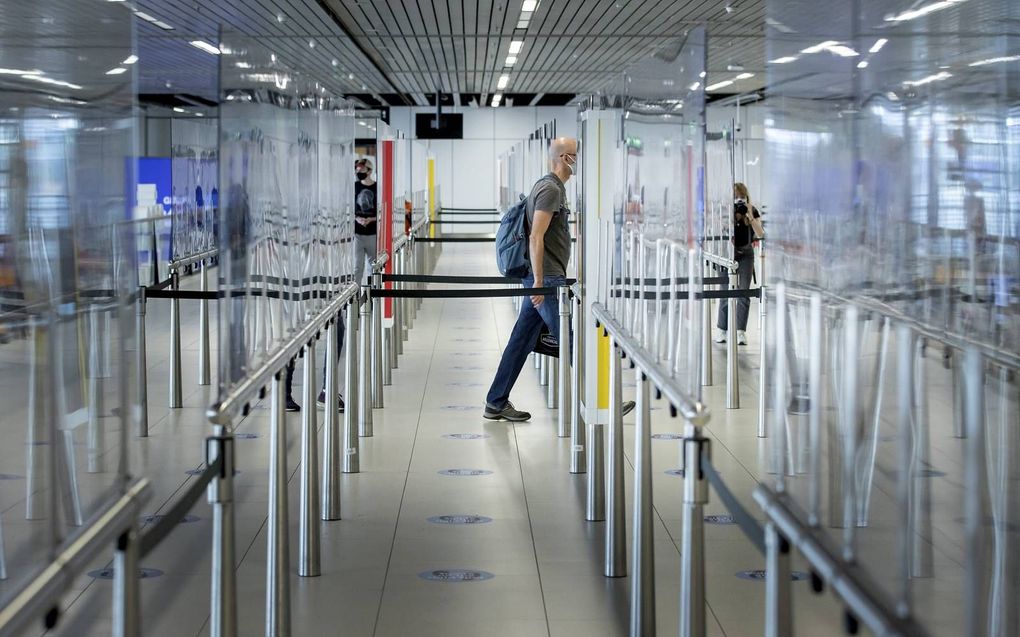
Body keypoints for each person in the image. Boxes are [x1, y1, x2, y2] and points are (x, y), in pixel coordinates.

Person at [484, 137, 634, 421]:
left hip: (545, 278)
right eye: (577, 155)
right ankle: (604, 401)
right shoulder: (551, 189)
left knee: (521, 341)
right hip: (546, 280)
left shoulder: (552, 188)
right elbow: (535, 236)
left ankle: (495, 401)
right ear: (566, 158)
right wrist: (540, 282)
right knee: (571, 341)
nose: (580, 162)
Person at [714, 182, 764, 345]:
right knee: (724, 292)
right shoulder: (725, 210)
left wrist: (749, 216)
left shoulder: (752, 210)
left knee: (743, 292)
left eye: (741, 197)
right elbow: (717, 229)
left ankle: (740, 331)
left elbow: (760, 233)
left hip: (746, 254)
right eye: (736, 198)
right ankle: (722, 329)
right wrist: (729, 216)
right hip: (726, 253)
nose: (739, 201)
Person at [353, 158, 377, 285]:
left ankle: (372, 293)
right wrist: (357, 218)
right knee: (357, 267)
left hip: (372, 234)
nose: (358, 171)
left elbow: (381, 211)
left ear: (369, 171)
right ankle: (355, 297)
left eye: (361, 168)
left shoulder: (377, 187)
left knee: (372, 266)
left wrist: (370, 219)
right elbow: (350, 209)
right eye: (357, 168)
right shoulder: (355, 186)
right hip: (358, 233)